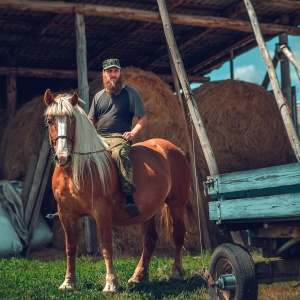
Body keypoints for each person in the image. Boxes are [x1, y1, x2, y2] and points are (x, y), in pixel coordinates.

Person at [88, 58, 147, 218]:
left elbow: (142, 118)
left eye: (116, 71)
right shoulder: (98, 96)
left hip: (118, 138)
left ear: (120, 73)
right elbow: (91, 120)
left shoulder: (130, 93)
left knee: (120, 155)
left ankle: (129, 198)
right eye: (109, 71)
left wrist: (133, 133)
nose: (113, 74)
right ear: (104, 74)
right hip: (99, 137)